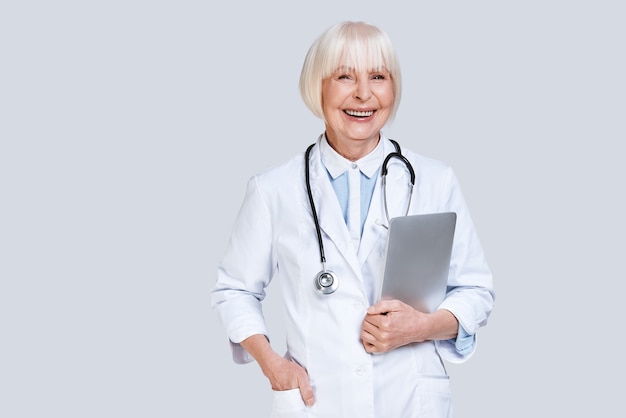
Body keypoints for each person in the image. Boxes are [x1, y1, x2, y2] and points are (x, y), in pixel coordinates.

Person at [211, 21, 494, 418]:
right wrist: (272, 364)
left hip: (410, 400)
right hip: (319, 402)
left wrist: (421, 327)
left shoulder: (434, 179)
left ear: (393, 88)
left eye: (378, 76)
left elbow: (476, 290)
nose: (364, 94)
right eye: (345, 76)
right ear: (318, 87)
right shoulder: (273, 189)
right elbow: (234, 290)